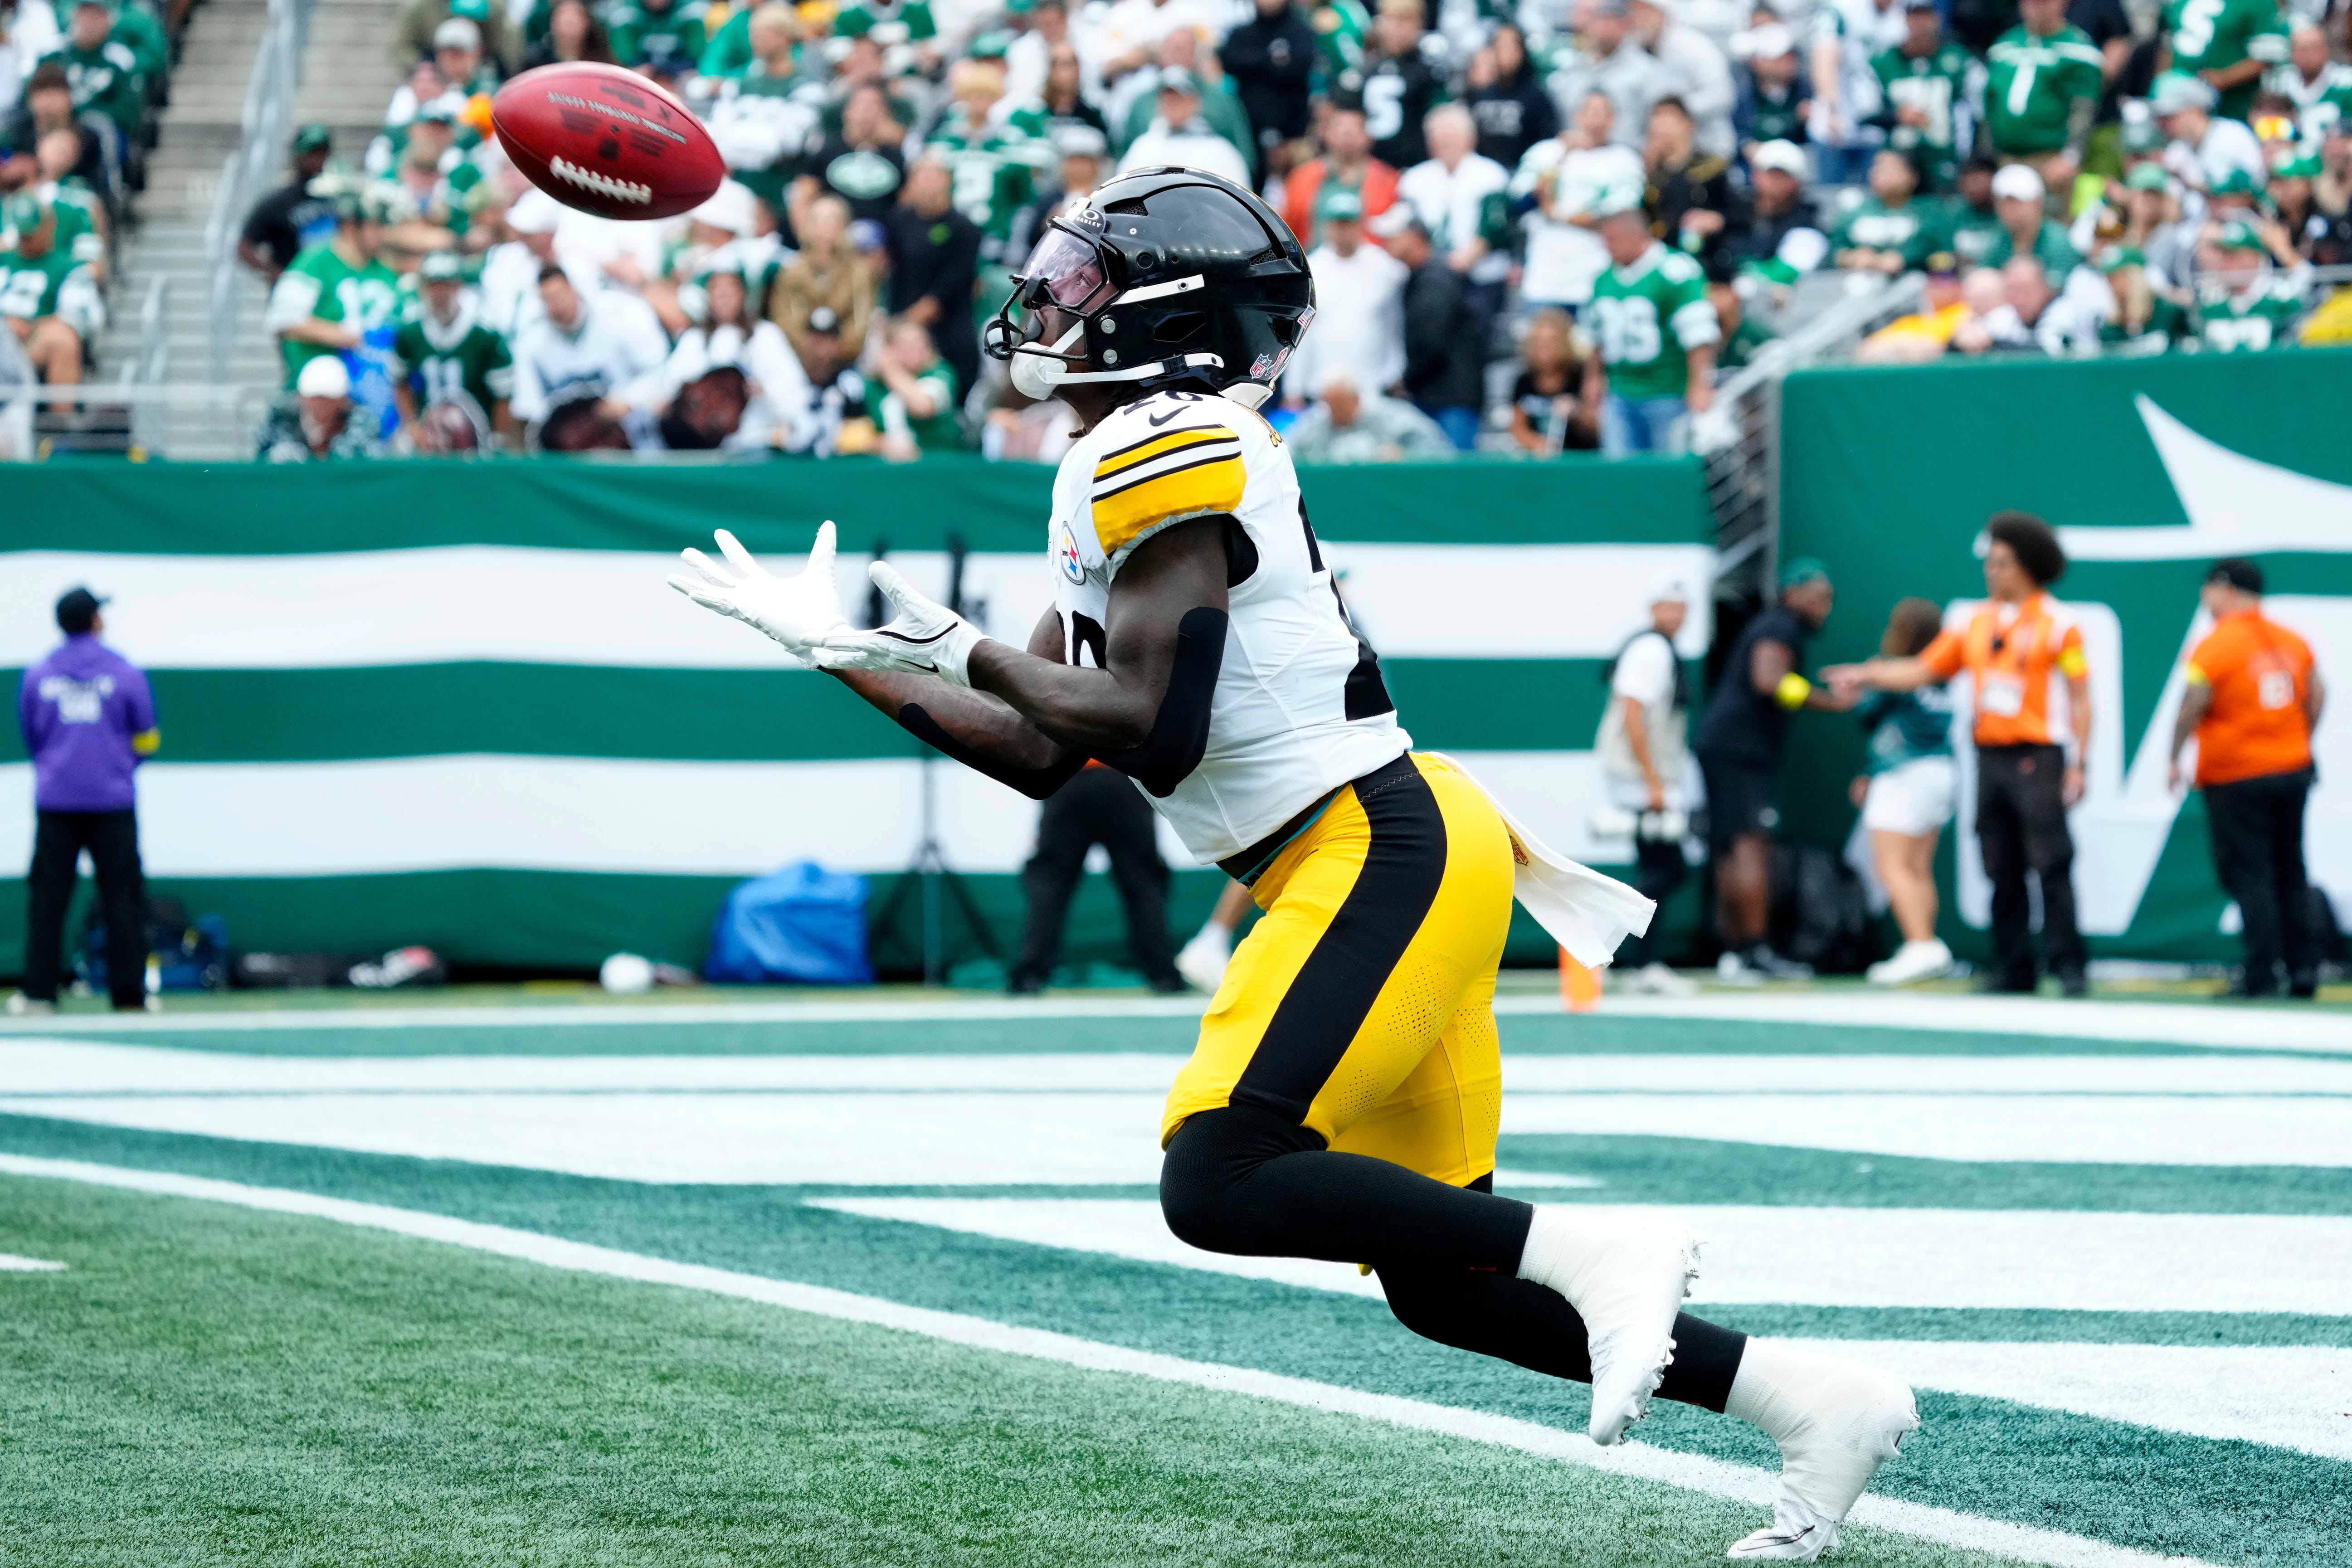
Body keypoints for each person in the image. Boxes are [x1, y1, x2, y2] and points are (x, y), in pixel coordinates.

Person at [668, 166, 1918, 1562]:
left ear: (1159, 321)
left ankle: (1594, 1249)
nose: (1050, 300)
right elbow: (1044, 748)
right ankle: (1814, 1401)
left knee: (1219, 1175)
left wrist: (949, 643)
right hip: (1387, 845)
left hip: (1372, 846)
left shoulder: (1158, 444)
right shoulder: (1126, 457)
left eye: (1085, 281)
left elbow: (1150, 724)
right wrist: (840, 648)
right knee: (1444, 1286)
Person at [1826, 511, 2091, 997]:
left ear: (2028, 567)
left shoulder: (2061, 624)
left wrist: (2079, 762)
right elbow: (1924, 669)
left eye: (2003, 564)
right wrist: (1868, 675)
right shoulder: (1974, 622)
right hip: (1990, 755)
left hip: (2039, 752)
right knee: (2000, 863)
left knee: (2050, 860)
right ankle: (2014, 966)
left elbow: (2080, 695)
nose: (1992, 572)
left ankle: (2069, 965)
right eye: (1990, 563)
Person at [2167, 558, 2327, 998]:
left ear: (2226, 588)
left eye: (2208, 589)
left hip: (2237, 773)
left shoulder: (2215, 645)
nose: (2205, 598)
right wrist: (2298, 738)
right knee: (2291, 868)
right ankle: (2304, 969)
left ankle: (2261, 970)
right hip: (2293, 767)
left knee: (2249, 871)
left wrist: (2173, 755)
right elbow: (2318, 692)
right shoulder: (2293, 640)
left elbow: (2191, 704)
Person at [11, 585, 156, 1016]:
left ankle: (39, 993)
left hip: (56, 802)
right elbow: (147, 736)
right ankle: (129, 996)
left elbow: (32, 736)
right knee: (123, 898)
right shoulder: (124, 671)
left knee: (48, 899)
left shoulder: (38, 674)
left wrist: (63, 767)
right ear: (95, 621)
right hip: (112, 802)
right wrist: (117, 765)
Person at [1849, 598, 1958, 986]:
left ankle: (1920, 944)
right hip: (1941, 771)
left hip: (1905, 773)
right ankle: (1926, 947)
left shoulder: (1897, 672)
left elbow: (1866, 712)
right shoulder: (1943, 673)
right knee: (1916, 868)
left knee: (1892, 866)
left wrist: (1863, 682)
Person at [1008, 760, 1186, 993]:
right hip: (1123, 777)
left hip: (1067, 778)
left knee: (1050, 882)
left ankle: (1028, 977)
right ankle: (1164, 976)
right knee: (1143, 882)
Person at [1599, 580, 1697, 995]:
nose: (1676, 615)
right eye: (1668, 606)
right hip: (1638, 779)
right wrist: (1652, 779)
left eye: (1682, 607)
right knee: (1668, 867)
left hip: (1640, 776)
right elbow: (1633, 712)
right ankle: (1609, 945)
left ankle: (1639, 961)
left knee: (1656, 868)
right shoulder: (1651, 650)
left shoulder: (1657, 649)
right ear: (1653, 609)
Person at [1588, 201, 1718, 456]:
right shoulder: (1603, 278)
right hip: (1619, 392)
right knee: (1622, 474)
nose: (1607, 247)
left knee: (1666, 474)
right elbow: (1598, 337)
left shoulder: (1675, 271)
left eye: (1613, 240)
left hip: (1667, 392)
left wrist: (1700, 384)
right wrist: (1593, 378)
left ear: (1636, 236)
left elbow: (1699, 336)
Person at [1281, 188, 1407, 404]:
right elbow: (1302, 330)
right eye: (1337, 223)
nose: (1343, 230)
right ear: (1326, 226)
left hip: (1372, 386)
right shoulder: (1312, 270)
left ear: (1360, 225)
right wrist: (1294, 389)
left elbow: (1395, 324)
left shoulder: (1386, 269)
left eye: (1349, 223)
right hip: (1321, 389)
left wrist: (1396, 373)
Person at [1380, 212, 1485, 450]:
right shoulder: (1426, 277)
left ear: (1416, 238)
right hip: (1439, 394)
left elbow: (1430, 341)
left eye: (1395, 237)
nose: (1388, 243)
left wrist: (1405, 379)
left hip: (1450, 399)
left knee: (1452, 479)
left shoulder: (1434, 279)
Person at [391, 248, 515, 449]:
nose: (439, 294)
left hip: (477, 432)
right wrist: (412, 424)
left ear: (459, 287)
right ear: (422, 288)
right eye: (433, 286)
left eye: (446, 286)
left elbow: (504, 394)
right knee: (400, 448)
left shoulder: (484, 333)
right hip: (428, 430)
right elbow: (399, 380)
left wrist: (496, 437)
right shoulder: (410, 329)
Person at [883, 156, 984, 397]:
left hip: (947, 329)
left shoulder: (965, 230)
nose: (926, 183)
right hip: (901, 319)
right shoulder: (898, 220)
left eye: (933, 176)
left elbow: (950, 289)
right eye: (920, 176)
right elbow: (889, 269)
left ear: (947, 182)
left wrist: (904, 326)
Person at [1982, 0, 2104, 197]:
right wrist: (1986, 158)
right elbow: (1990, 102)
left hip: (2049, 160)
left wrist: (2071, 157)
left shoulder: (2079, 49)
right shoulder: (2004, 44)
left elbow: (2084, 109)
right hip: (2004, 157)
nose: (2035, 5)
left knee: (2049, 223)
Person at [1871, 0, 1977, 193]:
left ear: (1938, 18)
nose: (1920, 23)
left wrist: (1968, 159)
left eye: (1925, 15)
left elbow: (1977, 110)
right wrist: (1897, 117)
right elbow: (1866, 113)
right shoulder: (1883, 61)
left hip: (1946, 157)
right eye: (1914, 16)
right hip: (1899, 159)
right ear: (1905, 19)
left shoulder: (1959, 59)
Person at [1286, 363, 1456, 462]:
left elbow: (1440, 451)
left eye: (1339, 403)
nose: (1333, 410)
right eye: (1329, 404)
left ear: (1355, 398)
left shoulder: (1395, 418)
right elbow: (1288, 452)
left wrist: (1404, 455)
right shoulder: (1316, 425)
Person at [1117, 66, 1254, 186]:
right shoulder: (1143, 148)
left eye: (1179, 97)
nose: (1172, 104)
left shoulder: (1219, 151)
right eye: (1168, 97)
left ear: (1194, 102)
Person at [2163, 0, 2289, 127]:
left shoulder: (2258, 4)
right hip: (2178, 102)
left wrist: (2223, 78)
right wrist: (2162, 81)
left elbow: (2267, 58)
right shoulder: (2180, 3)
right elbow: (2168, 47)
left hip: (2234, 107)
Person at [238, 127, 337, 282]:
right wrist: (279, 275)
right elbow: (245, 247)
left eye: (323, 154)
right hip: (295, 294)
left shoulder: (335, 197)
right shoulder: (278, 203)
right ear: (299, 155)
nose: (318, 160)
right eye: (312, 153)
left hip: (330, 287)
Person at [1506, 305, 1599, 452]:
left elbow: (1599, 426)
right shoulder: (1524, 380)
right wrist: (1539, 444)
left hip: (1580, 459)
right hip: (1540, 462)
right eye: (1540, 342)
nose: (1545, 349)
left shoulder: (1580, 376)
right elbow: (1518, 427)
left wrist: (1576, 413)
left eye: (1552, 342)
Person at [1829, 146, 1934, 272]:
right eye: (1876, 166)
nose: (1878, 172)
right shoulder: (1856, 211)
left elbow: (1933, 245)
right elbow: (1834, 247)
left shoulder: (1929, 211)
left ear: (1913, 177)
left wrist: (1904, 258)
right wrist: (1850, 257)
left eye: (1889, 167)